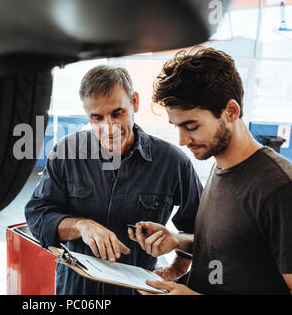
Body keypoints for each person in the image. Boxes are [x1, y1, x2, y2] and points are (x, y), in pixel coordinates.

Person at [25, 65, 203, 295]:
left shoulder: (173, 162)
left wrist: (173, 271)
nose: (109, 128)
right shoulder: (66, 153)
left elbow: (200, 233)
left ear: (135, 102)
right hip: (76, 292)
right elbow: (38, 216)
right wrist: (82, 226)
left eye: (117, 113)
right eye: (96, 117)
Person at [129, 47, 292, 295]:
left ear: (231, 111)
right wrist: (176, 240)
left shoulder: (279, 188)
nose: (182, 140)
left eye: (191, 126)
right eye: (177, 127)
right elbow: (238, 251)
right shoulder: (221, 167)